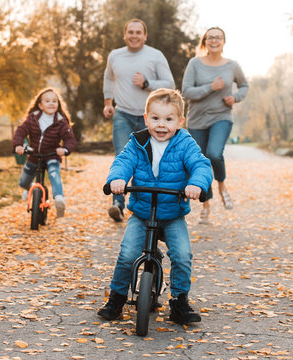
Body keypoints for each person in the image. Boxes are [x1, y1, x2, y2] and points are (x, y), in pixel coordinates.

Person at [97, 89, 213, 324]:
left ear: (180, 121)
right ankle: (117, 299)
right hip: (142, 212)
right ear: (146, 117)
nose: (161, 125)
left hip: (172, 213)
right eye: (156, 118)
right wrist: (117, 180)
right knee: (127, 254)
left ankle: (179, 301)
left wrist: (196, 184)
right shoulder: (137, 142)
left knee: (182, 255)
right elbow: (122, 162)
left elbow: (201, 165)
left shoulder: (185, 143)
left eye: (169, 119)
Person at [103, 18, 176, 222]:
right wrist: (108, 103)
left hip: (149, 118)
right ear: (125, 35)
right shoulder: (115, 56)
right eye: (130, 32)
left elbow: (169, 83)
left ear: (145, 36)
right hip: (123, 113)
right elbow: (108, 78)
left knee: (145, 160)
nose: (134, 36)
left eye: (138, 32)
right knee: (122, 155)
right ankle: (117, 202)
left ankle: (141, 206)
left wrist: (147, 83)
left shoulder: (155, 55)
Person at [182, 27, 249, 224]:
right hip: (196, 119)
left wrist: (235, 97)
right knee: (201, 163)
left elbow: (245, 85)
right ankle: (206, 205)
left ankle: (222, 186)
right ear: (205, 41)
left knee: (214, 153)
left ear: (223, 41)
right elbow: (186, 92)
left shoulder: (232, 66)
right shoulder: (194, 63)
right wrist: (211, 87)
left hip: (221, 116)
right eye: (210, 37)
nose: (214, 40)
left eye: (218, 37)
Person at [13, 87, 77, 218]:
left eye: (55, 101)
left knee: (54, 174)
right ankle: (30, 188)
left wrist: (65, 149)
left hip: (52, 155)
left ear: (58, 105)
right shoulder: (33, 118)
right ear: (40, 105)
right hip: (34, 156)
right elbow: (20, 131)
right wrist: (18, 145)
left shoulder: (61, 121)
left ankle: (59, 199)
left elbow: (69, 138)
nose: (52, 103)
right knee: (23, 182)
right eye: (47, 101)